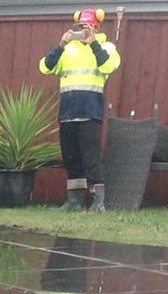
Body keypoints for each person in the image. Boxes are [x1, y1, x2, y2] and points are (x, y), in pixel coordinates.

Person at [40, 9, 121, 212]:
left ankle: (98, 202)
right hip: (67, 113)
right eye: (80, 27)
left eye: (88, 26)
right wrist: (61, 45)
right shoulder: (68, 50)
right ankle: (74, 202)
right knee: (71, 158)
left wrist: (93, 43)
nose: (84, 31)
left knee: (91, 158)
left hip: (90, 112)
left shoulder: (106, 47)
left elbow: (108, 65)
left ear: (97, 27)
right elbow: (46, 66)